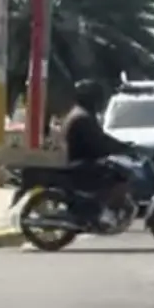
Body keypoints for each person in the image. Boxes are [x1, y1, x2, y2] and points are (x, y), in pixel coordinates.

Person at [60, 79, 136, 229]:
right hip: (80, 163)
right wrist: (120, 149)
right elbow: (97, 144)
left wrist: (123, 146)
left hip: (80, 160)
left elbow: (101, 138)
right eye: (97, 97)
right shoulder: (82, 118)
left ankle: (98, 209)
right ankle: (105, 213)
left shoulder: (81, 113)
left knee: (114, 170)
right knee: (121, 177)